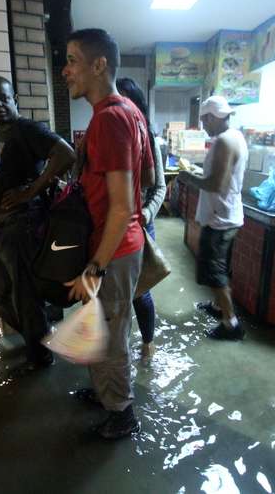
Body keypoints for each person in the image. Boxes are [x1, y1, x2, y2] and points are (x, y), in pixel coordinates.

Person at [62, 28, 155, 439]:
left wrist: (96, 267)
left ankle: (121, 413)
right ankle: (105, 394)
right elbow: (149, 177)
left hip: (112, 249)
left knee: (112, 335)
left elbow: (122, 206)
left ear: (100, 65)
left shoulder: (110, 119)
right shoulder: (131, 112)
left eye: (73, 60)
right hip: (119, 243)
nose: (65, 71)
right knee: (99, 325)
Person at [0, 75, 75, 373]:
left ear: (14, 98)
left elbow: (66, 153)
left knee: (24, 295)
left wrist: (32, 190)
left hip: (22, 227)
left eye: (3, 98)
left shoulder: (26, 129)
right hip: (1, 229)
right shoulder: (0, 138)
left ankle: (40, 355)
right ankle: (43, 335)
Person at [190, 96, 249, 341]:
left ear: (212, 117)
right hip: (226, 214)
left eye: (204, 120)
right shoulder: (235, 137)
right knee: (220, 266)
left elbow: (217, 183)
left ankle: (230, 323)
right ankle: (218, 308)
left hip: (220, 219)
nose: (203, 125)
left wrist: (187, 177)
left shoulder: (224, 141)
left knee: (216, 273)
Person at [116, 77, 166, 358]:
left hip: (140, 225)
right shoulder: (107, 135)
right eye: (117, 98)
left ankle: (148, 343)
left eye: (127, 98)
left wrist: (146, 214)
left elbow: (159, 186)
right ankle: (119, 350)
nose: (122, 105)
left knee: (139, 290)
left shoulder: (147, 137)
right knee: (114, 294)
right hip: (112, 226)